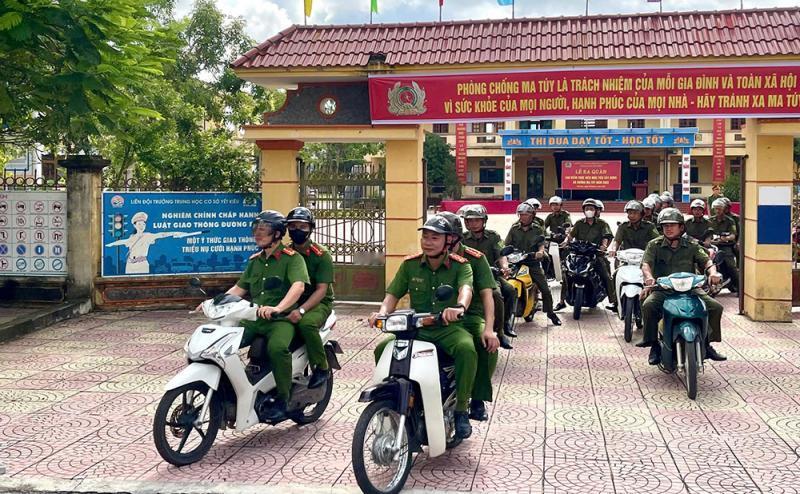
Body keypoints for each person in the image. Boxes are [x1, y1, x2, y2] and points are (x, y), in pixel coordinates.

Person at [369, 215, 478, 439]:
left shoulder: (461, 266)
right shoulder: (410, 265)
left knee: (467, 349)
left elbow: (466, 289)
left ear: (448, 241)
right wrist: (381, 313)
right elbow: (392, 294)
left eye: (434, 238)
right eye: (425, 237)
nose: (428, 242)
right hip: (417, 328)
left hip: (447, 327)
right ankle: (391, 396)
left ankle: (461, 410)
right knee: (382, 349)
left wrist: (458, 307)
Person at [223, 210, 310, 421]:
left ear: (278, 234)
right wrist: (214, 302)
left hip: (280, 320)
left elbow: (298, 287)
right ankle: (230, 391)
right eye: (256, 230)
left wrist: (279, 308)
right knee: (224, 343)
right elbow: (238, 288)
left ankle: (283, 398)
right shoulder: (255, 261)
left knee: (277, 348)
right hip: (254, 319)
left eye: (264, 230)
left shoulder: (293, 259)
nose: (258, 234)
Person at [639, 208, 726, 365]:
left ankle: (707, 343)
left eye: (673, 225)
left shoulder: (691, 244)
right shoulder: (654, 245)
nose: (669, 228)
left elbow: (706, 261)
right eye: (665, 225)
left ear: (681, 227)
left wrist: (713, 273)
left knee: (715, 307)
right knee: (648, 305)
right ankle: (653, 344)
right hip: (663, 289)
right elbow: (646, 264)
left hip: (691, 289)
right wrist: (649, 278)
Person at [438, 211, 500, 422]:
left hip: (470, 316)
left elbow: (487, 295)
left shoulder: (475, 259)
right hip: (436, 316)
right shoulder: (430, 258)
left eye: (443, 236)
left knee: (487, 347)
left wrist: (489, 329)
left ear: (454, 237)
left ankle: (477, 398)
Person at [285, 207, 332, 390]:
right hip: (292, 300)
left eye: (302, 226)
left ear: (311, 228)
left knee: (306, 324)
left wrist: (302, 310)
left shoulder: (321, 255)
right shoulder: (286, 253)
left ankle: (321, 367)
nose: (297, 230)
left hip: (318, 302)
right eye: (293, 226)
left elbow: (321, 290)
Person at [459, 204, 516, 349]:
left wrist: (504, 267)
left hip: (491, 275)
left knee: (507, 291)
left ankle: (502, 329)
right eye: (469, 220)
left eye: (476, 220)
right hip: (467, 276)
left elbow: (501, 254)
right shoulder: (462, 238)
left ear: (484, 220)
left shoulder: (493, 236)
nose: (473, 223)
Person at [505, 202, 561, 326]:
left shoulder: (537, 228)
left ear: (532, 215)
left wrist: (540, 252)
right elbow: (507, 244)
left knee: (545, 289)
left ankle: (551, 313)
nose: (523, 217)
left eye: (526, 215)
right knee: (505, 284)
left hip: (532, 262)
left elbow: (541, 243)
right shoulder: (514, 228)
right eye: (521, 214)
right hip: (516, 262)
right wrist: (506, 253)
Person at [105, 212, 198, 274]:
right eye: (139, 224)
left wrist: (175, 233)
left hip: (142, 264)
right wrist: (112, 244)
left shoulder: (148, 236)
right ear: (134, 225)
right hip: (129, 264)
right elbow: (123, 241)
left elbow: (161, 234)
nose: (142, 226)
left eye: (143, 224)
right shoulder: (131, 237)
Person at [606, 200, 658, 311]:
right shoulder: (623, 226)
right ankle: (616, 302)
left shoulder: (649, 227)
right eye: (629, 213)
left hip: (644, 260)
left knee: (653, 278)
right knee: (616, 274)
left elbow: (656, 241)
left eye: (635, 213)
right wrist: (613, 249)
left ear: (641, 214)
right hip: (627, 260)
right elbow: (617, 241)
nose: (632, 216)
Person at [565, 198, 615, 307]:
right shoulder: (579, 223)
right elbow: (571, 236)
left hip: (595, 255)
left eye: (591, 208)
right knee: (567, 273)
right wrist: (565, 242)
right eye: (587, 208)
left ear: (596, 210)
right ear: (583, 210)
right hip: (579, 255)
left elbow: (606, 236)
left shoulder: (602, 224)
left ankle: (614, 301)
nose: (589, 210)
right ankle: (561, 301)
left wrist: (604, 246)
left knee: (605, 275)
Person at [710, 198, 740, 293]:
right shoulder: (710, 220)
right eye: (716, 209)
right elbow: (706, 233)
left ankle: (740, 287)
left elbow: (733, 235)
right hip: (712, 245)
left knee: (731, 265)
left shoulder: (730, 220)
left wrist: (725, 238)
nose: (717, 211)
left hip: (725, 246)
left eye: (720, 208)